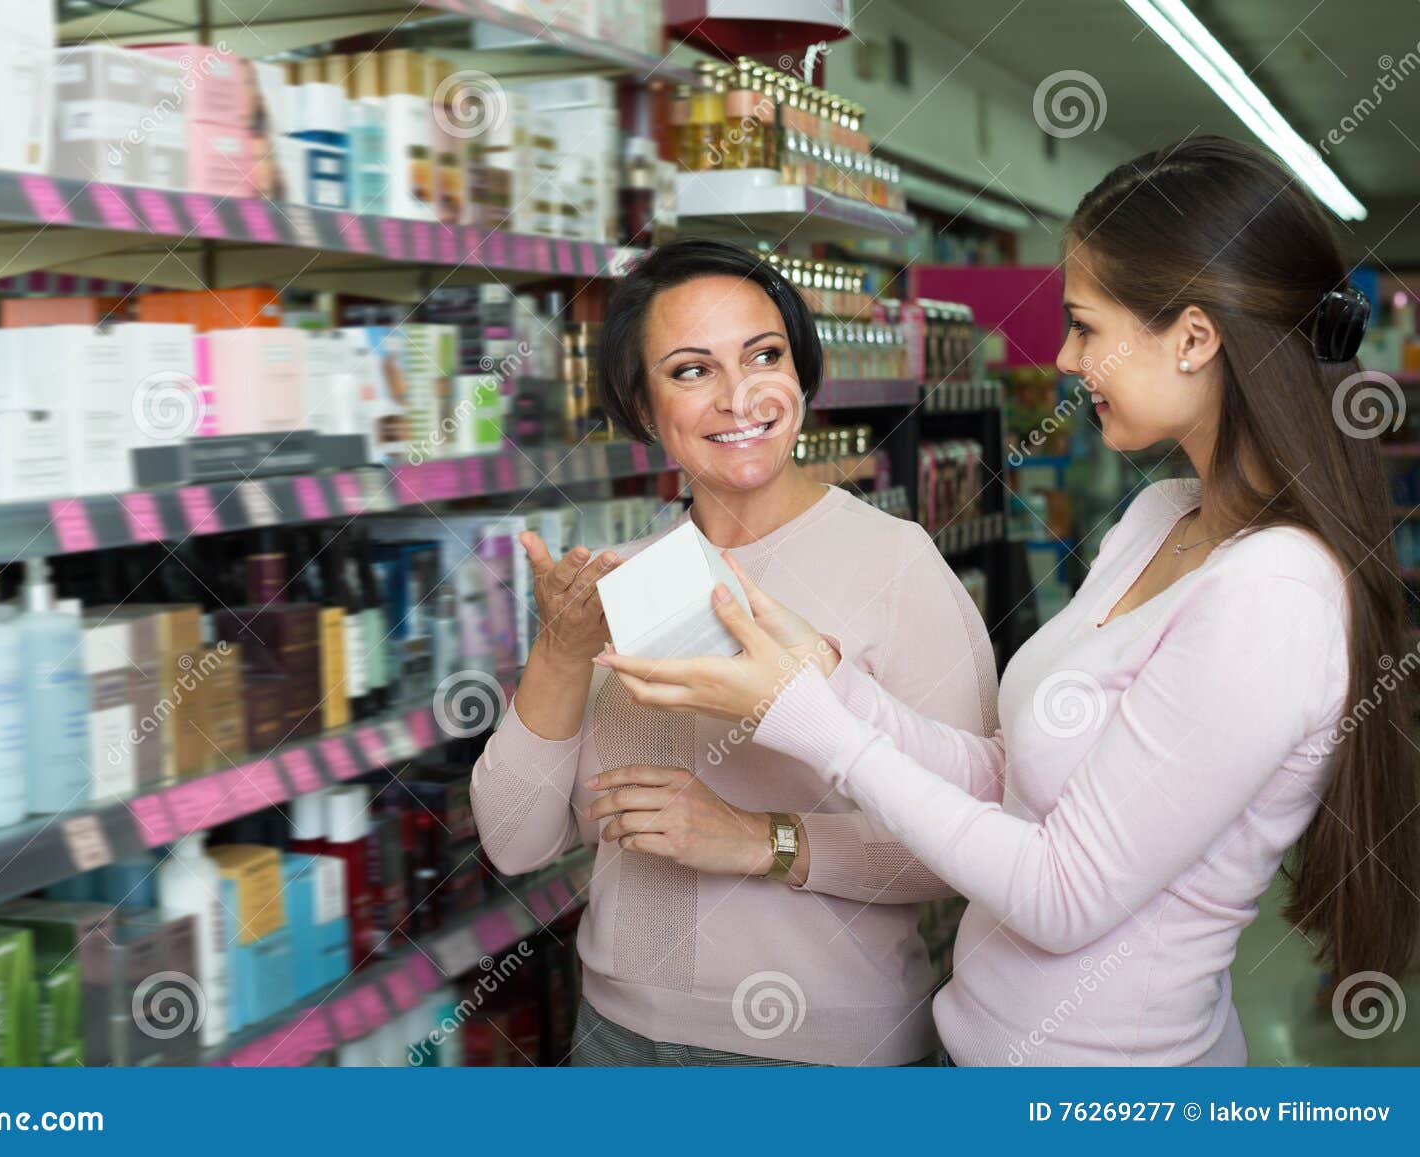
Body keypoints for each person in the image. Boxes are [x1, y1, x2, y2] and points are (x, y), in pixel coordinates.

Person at [595, 137, 1420, 1066]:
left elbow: (1063, 894)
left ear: (1193, 338)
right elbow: (1006, 775)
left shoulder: (1275, 595)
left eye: (1085, 325)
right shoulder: (1161, 517)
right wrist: (825, 679)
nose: (1064, 357)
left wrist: (809, 725)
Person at [469, 238, 999, 1066]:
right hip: (616, 1041)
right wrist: (561, 653)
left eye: (763, 354)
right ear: (644, 408)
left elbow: (970, 844)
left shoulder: (895, 563)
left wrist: (759, 838)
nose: (739, 394)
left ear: (799, 373)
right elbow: (515, 842)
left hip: (823, 1056)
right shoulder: (628, 578)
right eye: (691, 370)